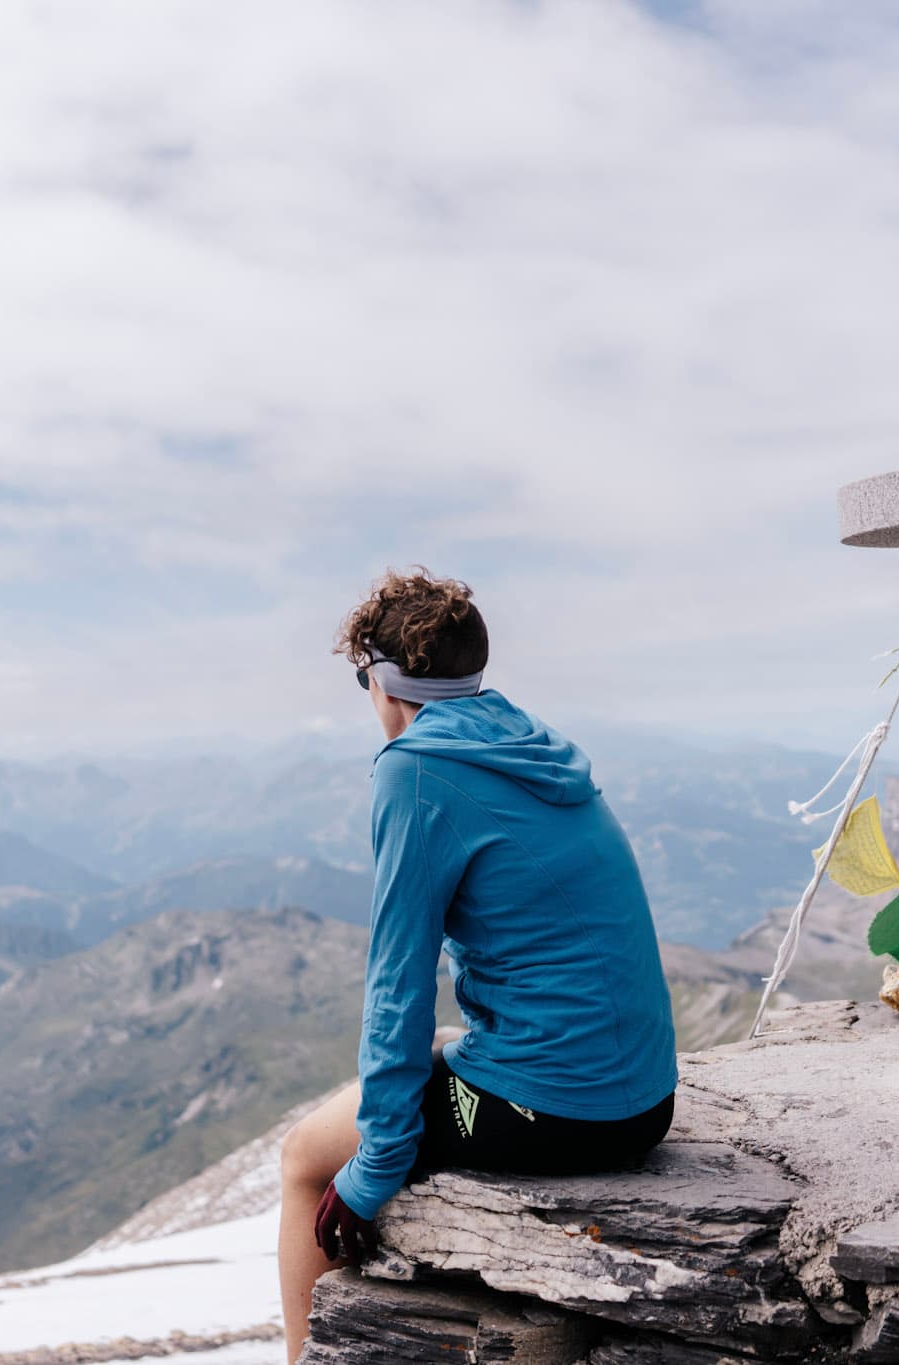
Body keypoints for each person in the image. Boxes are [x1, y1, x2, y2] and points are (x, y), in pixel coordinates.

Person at [277, 568, 679, 1362]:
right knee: (446, 1049)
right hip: (645, 1100)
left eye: (362, 676)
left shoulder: (414, 768)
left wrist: (372, 1168)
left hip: (562, 1109)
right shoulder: (526, 740)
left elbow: (398, 984)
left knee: (301, 1157)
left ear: (383, 682)